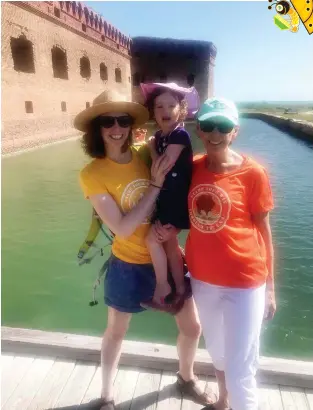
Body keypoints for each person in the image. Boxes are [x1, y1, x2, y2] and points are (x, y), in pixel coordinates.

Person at [74, 90, 215, 410]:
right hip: (127, 263)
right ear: (96, 128)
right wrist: (153, 185)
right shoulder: (92, 174)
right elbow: (122, 228)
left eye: (123, 120)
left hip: (166, 253)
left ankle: (186, 378)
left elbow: (182, 179)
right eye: (107, 121)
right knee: (115, 332)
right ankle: (107, 395)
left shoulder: (144, 153)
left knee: (192, 328)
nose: (116, 127)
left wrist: (178, 223)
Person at [184, 97, 276, 410]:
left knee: (241, 370)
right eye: (208, 125)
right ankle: (223, 402)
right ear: (199, 129)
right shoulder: (192, 168)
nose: (215, 132)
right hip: (203, 279)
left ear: (234, 131)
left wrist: (271, 288)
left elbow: (264, 232)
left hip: (246, 281)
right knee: (218, 352)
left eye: (222, 126)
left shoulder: (254, 173)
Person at [140, 82, 195, 306]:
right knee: (170, 246)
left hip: (174, 206)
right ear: (153, 111)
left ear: (181, 110)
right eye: (159, 106)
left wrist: (150, 149)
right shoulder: (163, 135)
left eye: (171, 105)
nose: (165, 111)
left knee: (151, 240)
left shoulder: (179, 136)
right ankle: (180, 290)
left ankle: (162, 290)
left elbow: (161, 168)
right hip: (167, 202)